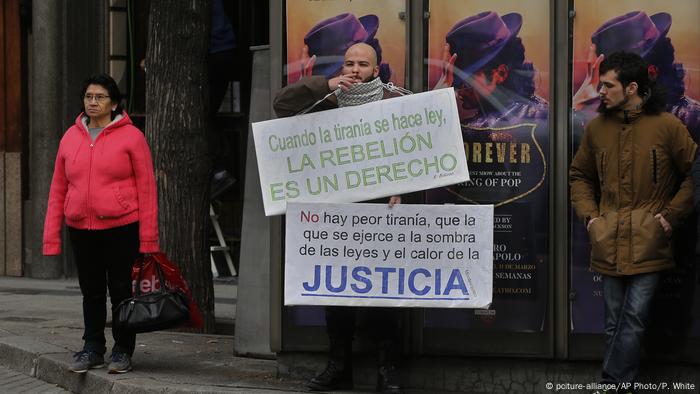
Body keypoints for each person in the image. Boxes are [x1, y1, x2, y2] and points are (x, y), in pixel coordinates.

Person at [274, 43, 402, 393]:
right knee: (338, 291)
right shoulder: (326, 101)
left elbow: (419, 145)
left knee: (382, 291)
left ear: (377, 70)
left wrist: (403, 185)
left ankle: (387, 368)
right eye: (349, 63)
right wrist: (326, 85)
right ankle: (338, 364)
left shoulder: (394, 102)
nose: (355, 69)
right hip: (336, 211)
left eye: (363, 64)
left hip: (378, 209)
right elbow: (281, 104)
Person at [569, 52, 696, 392]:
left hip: (649, 241)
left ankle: (612, 384)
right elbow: (579, 176)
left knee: (634, 319)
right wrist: (592, 219)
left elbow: (694, 173)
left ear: (633, 88)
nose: (601, 90)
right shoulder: (597, 128)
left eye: (608, 85)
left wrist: (670, 218)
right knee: (613, 322)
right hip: (608, 239)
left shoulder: (667, 126)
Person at [43, 74, 159, 374]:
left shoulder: (132, 137)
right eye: (88, 97)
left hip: (122, 226)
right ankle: (92, 347)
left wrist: (149, 239)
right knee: (91, 291)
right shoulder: (70, 137)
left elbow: (147, 188)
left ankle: (123, 350)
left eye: (100, 97)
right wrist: (50, 238)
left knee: (121, 290)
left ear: (114, 103)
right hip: (81, 228)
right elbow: (58, 188)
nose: (93, 102)